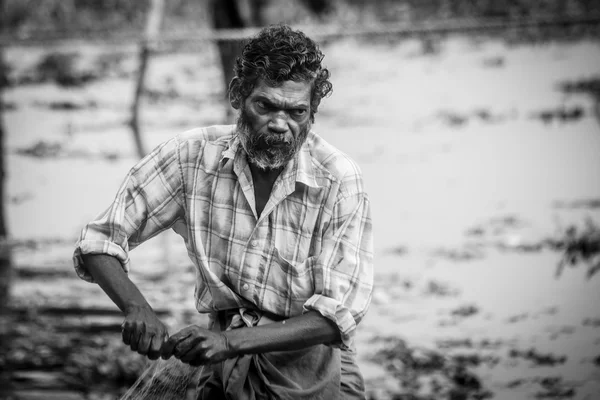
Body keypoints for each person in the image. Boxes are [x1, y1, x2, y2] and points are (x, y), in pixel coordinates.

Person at [73, 24, 373, 399]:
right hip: (220, 357)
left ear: (312, 114)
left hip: (309, 368)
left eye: (296, 112)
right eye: (264, 105)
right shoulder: (191, 157)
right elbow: (100, 241)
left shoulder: (338, 180)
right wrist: (137, 307)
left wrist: (231, 343)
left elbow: (336, 316)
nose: (280, 125)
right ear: (237, 95)